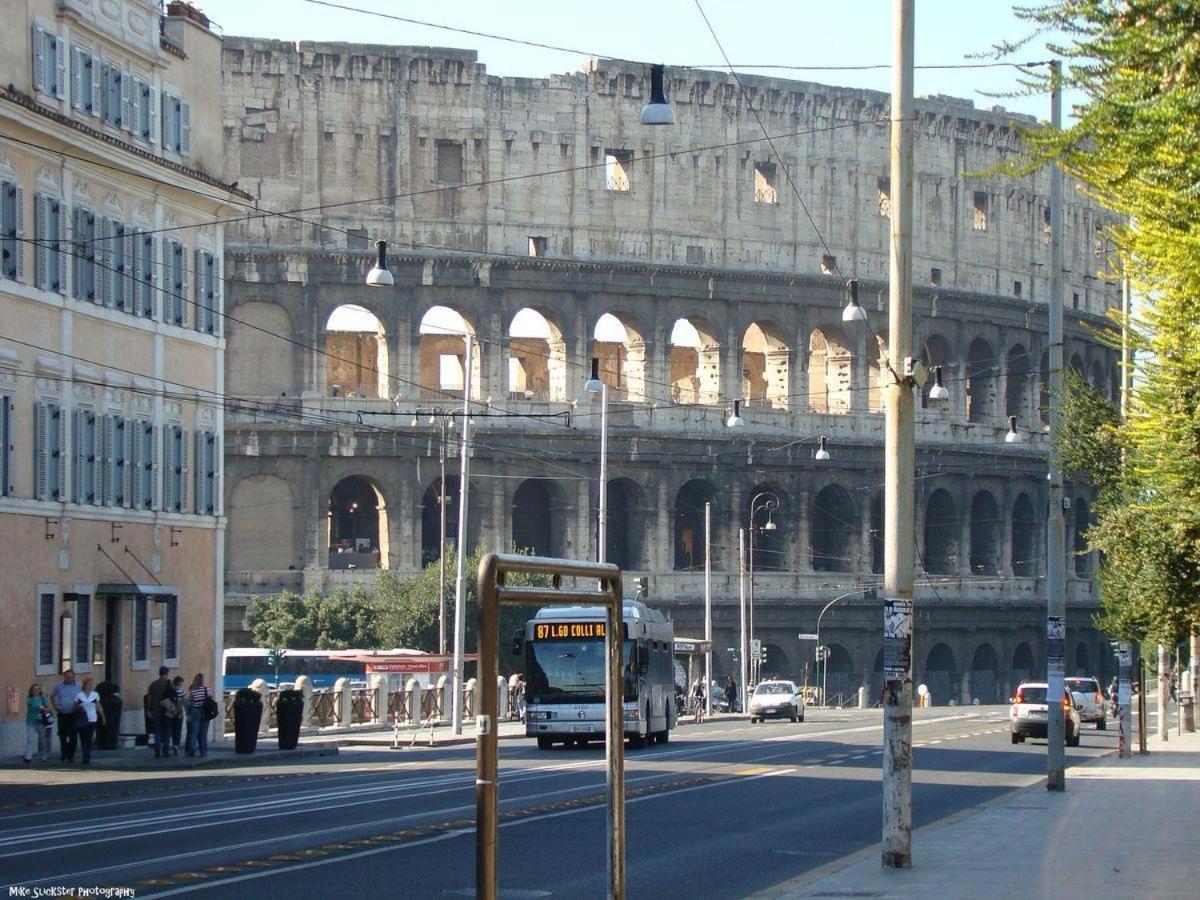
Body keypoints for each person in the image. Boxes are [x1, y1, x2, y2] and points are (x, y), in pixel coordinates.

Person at [49, 670, 81, 763]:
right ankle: (64, 753)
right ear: (64, 677)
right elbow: (52, 696)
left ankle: (71, 755)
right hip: (62, 713)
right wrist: (55, 707)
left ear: (74, 677)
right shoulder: (58, 686)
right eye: (67, 677)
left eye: (71, 677)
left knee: (73, 735)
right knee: (62, 735)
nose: (69, 679)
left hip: (74, 713)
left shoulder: (79, 686)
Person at [73, 677, 104, 766]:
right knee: (83, 738)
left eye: (91, 684)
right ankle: (85, 754)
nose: (91, 686)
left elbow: (98, 706)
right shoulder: (79, 695)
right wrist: (79, 707)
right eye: (89, 684)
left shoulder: (95, 695)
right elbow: (74, 706)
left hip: (92, 719)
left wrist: (103, 716)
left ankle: (87, 756)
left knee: (89, 738)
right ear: (85, 685)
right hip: (83, 719)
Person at [147, 666, 173, 759]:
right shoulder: (169, 684)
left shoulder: (153, 684)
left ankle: (157, 748)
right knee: (167, 730)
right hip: (167, 710)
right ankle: (166, 750)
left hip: (156, 709)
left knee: (157, 730)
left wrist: (149, 708)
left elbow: (149, 697)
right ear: (167, 673)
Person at [186, 673, 213, 758]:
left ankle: (192, 749)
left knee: (194, 732)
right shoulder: (206, 689)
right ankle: (203, 752)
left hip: (195, 711)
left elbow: (190, 701)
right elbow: (211, 699)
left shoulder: (193, 690)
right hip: (205, 711)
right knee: (204, 733)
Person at [24, 684, 52, 764]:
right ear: (31, 691)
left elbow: (48, 708)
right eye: (34, 689)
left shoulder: (42, 698)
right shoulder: (29, 700)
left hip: (41, 722)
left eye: (38, 689)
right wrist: (42, 708)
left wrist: (45, 707)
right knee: (30, 740)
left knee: (42, 739)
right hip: (31, 722)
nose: (36, 691)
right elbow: (33, 708)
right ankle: (28, 757)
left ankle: (44, 756)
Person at [166, 676, 186, 755]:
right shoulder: (181, 691)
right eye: (181, 684)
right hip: (179, 711)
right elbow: (183, 701)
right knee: (178, 729)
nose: (181, 685)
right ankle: (176, 745)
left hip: (170, 711)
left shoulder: (170, 690)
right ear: (178, 683)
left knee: (169, 729)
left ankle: (167, 746)